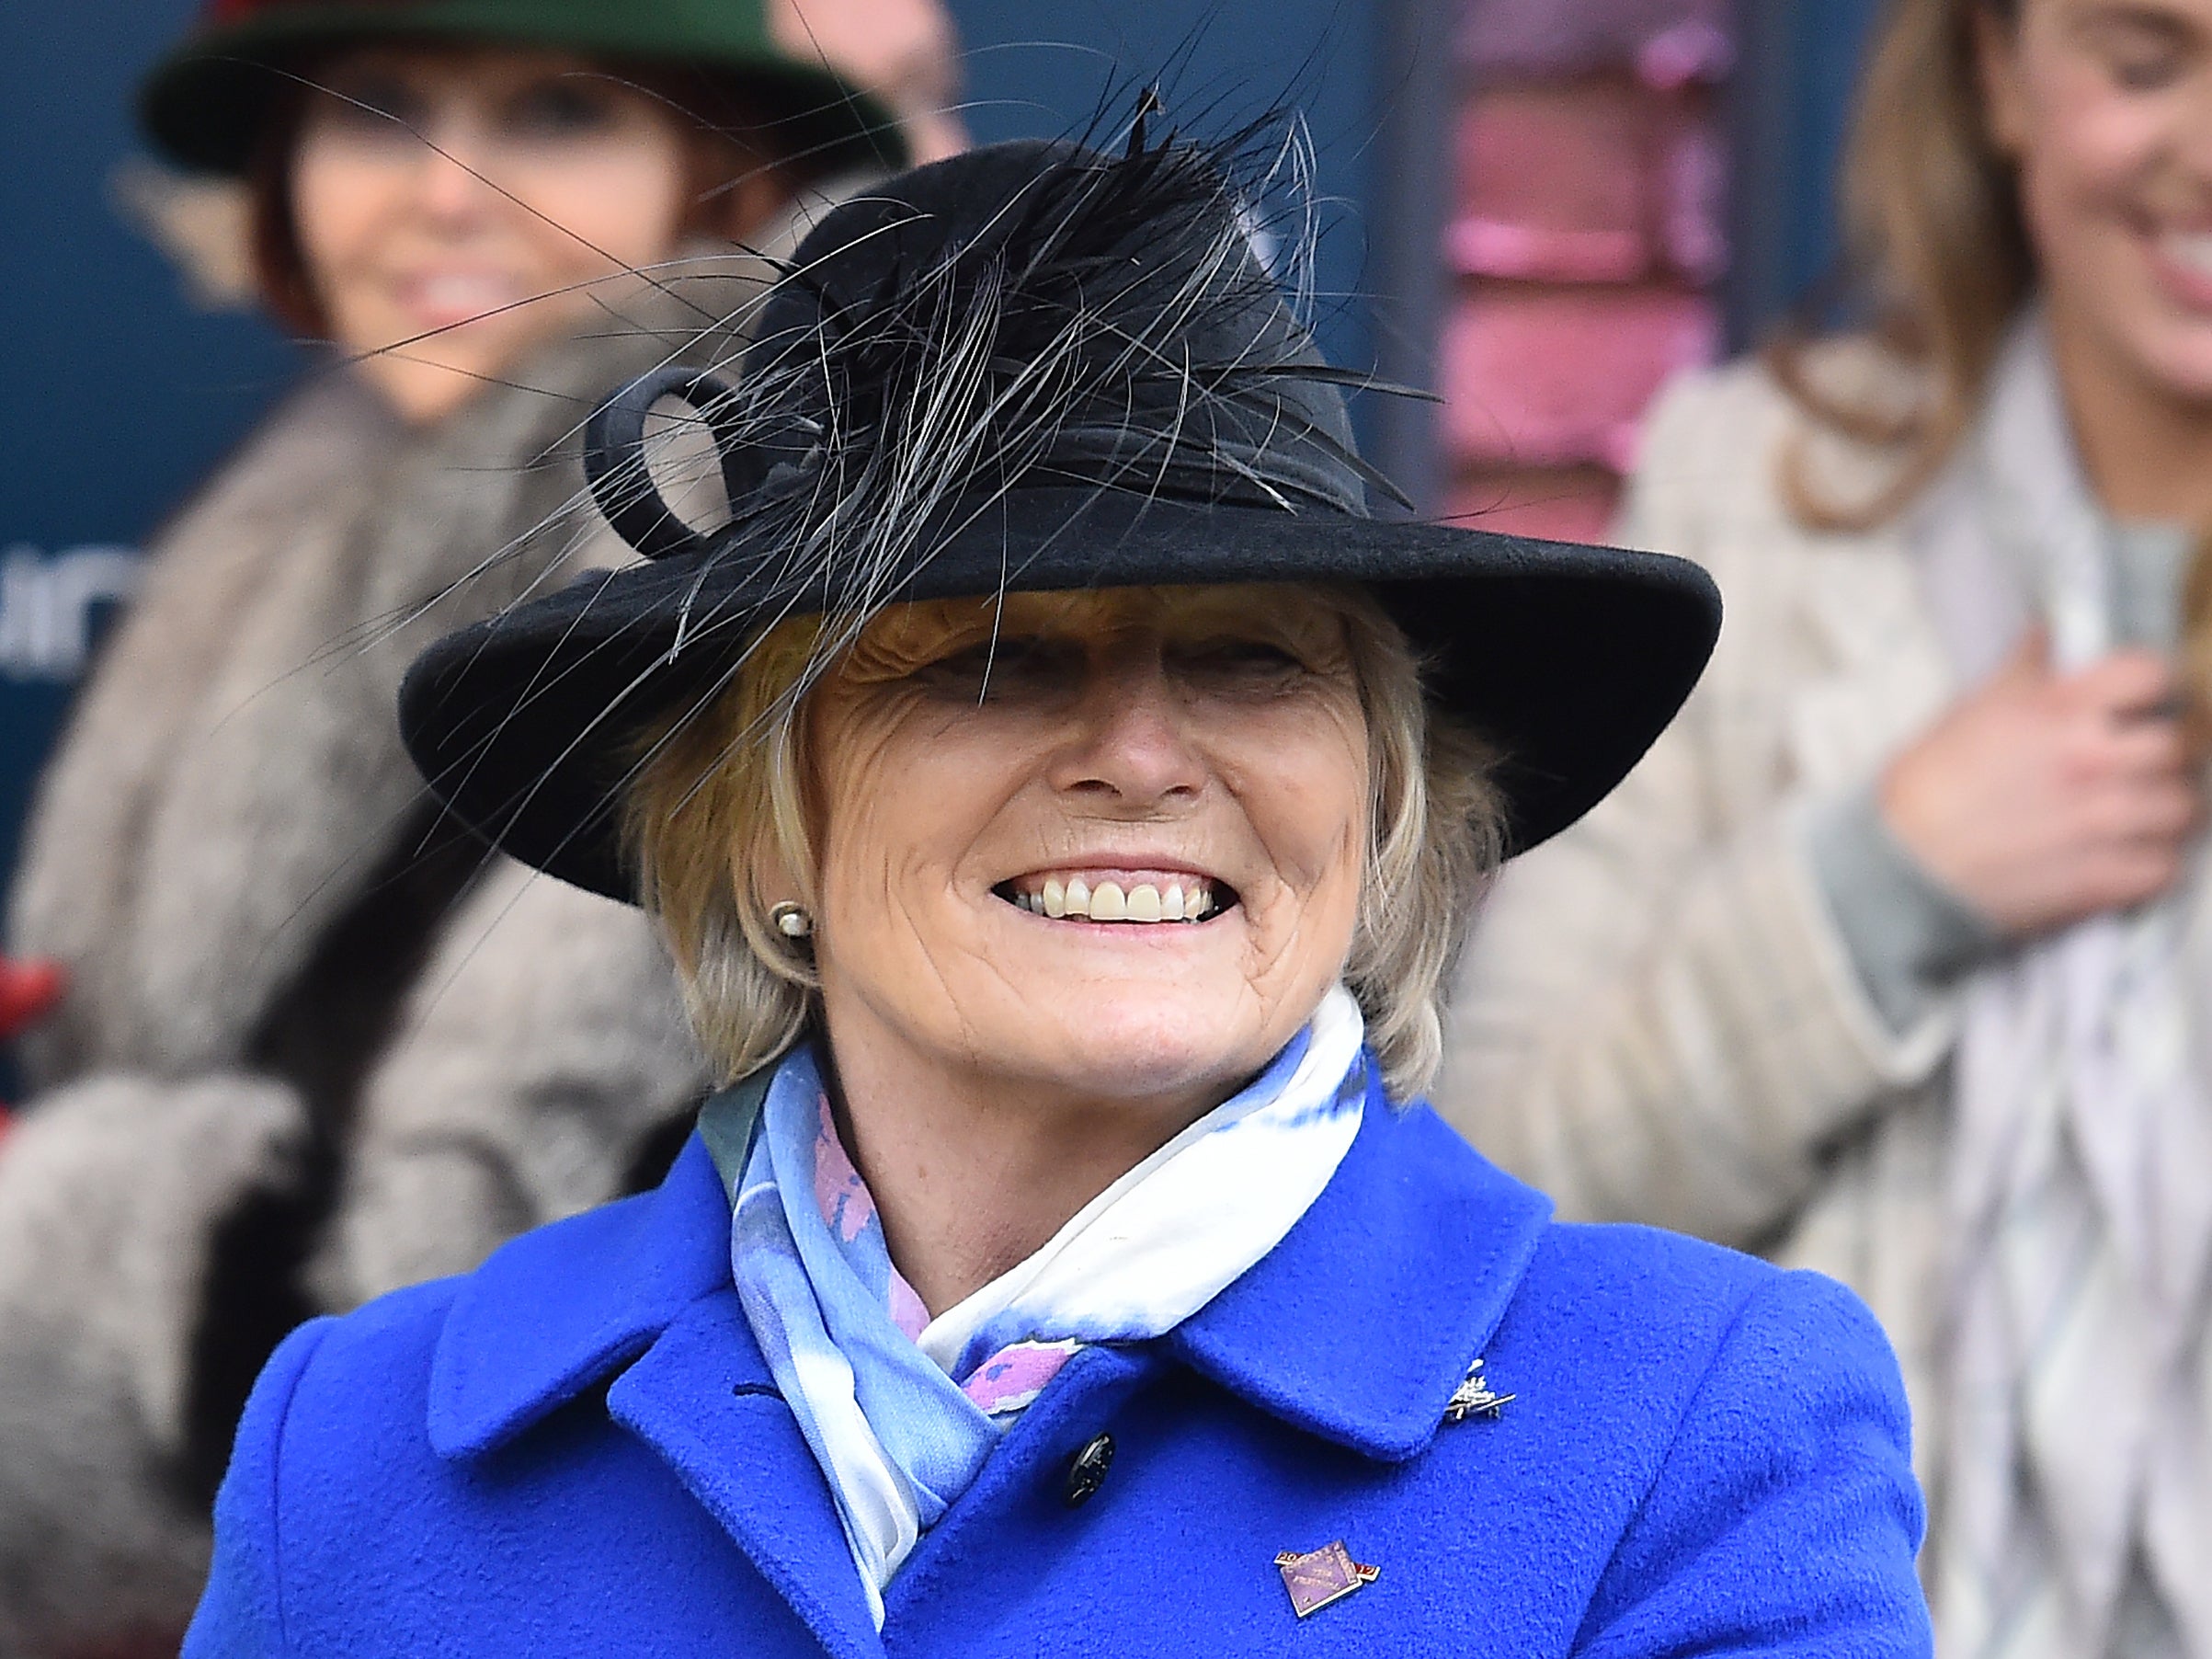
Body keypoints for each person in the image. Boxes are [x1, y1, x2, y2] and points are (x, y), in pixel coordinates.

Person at [182, 132, 1929, 1655]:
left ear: (1382, 800)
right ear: (758, 824)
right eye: (990, 659)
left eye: (1253, 661)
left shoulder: (1695, 1429)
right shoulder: (359, 1454)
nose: (1144, 754)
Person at [0, 1, 957, 1650]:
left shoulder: (743, 485)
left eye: (561, 112)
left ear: (716, 173)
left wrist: (82, 1245)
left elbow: (497, 1192)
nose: (446, 192)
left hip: (585, 1528)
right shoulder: (319, 496)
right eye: (376, 109)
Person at [1435, 0, 2212, 1653]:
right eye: (2145, 63)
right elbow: (1498, 1194)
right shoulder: (1758, 493)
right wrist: (1871, 894)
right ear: (2000, 74)